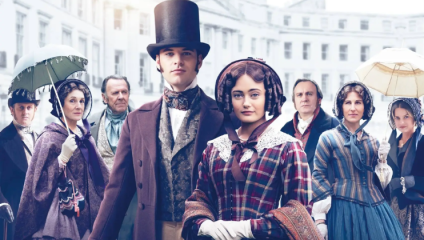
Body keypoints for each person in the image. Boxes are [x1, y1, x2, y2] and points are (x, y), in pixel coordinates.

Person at [88, 1, 237, 239]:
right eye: (169, 54)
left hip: (206, 232)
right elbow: (117, 191)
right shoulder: (136, 121)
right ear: (158, 62)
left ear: (199, 60)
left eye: (186, 53)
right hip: (152, 231)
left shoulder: (224, 117)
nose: (177, 60)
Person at [182, 58, 321, 240]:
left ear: (267, 97)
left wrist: (248, 228)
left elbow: (298, 213)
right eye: (238, 95)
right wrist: (206, 225)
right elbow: (199, 200)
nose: (246, 103)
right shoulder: (214, 149)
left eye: (254, 95)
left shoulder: (287, 148)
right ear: (229, 99)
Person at [14, 79, 110, 240]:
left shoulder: (85, 136)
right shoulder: (48, 138)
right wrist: (62, 158)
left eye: (82, 101)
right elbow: (36, 184)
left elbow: (102, 175)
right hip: (62, 219)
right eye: (72, 101)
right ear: (60, 104)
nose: (79, 106)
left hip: (89, 214)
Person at [311, 81, 404, 240]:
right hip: (342, 210)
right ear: (341, 107)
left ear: (365, 107)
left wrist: (382, 160)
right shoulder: (328, 138)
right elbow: (318, 176)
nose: (353, 108)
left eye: (358, 103)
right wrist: (320, 220)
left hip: (376, 210)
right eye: (348, 102)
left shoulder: (373, 141)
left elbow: (381, 183)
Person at [88, 75, 134, 240]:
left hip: (133, 201)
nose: (121, 96)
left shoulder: (143, 120)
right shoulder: (90, 123)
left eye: (124, 92)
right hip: (99, 201)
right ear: (104, 97)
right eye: (115, 93)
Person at [0, 89, 39, 240]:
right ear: (12, 110)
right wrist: (1, 203)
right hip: (14, 211)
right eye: (20, 108)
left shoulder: (40, 137)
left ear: (35, 110)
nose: (25, 112)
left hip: (39, 212)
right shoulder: (2, 139)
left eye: (29, 107)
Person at [385, 98, 424, 240]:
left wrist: (407, 181)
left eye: (406, 116)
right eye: (397, 117)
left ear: (416, 116)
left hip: (418, 211)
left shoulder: (422, 143)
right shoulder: (389, 145)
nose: (401, 122)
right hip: (393, 209)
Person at [281, 79, 338, 172]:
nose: (304, 99)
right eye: (299, 95)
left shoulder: (335, 127)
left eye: (309, 94)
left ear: (319, 100)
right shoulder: (284, 131)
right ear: (294, 103)